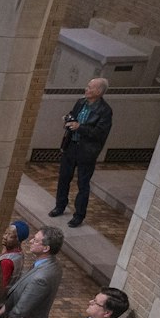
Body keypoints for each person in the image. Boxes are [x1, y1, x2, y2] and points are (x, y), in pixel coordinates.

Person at [52, 78, 114, 228]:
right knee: (64, 178)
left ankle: (79, 215)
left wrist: (79, 127)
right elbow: (73, 114)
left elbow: (99, 133)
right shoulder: (81, 102)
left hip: (87, 151)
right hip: (71, 145)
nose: (86, 89)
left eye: (90, 87)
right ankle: (60, 206)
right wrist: (68, 119)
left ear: (98, 92)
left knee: (83, 184)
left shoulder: (105, 111)